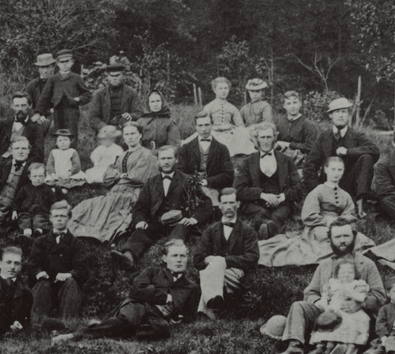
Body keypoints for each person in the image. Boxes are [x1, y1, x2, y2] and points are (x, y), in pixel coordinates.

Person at [271, 219, 387, 354]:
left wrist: (361, 303)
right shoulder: (324, 265)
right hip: (326, 311)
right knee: (298, 306)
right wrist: (322, 304)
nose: (342, 240)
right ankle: (294, 347)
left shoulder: (367, 264)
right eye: (337, 237)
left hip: (354, 314)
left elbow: (380, 295)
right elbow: (310, 292)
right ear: (330, 240)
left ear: (354, 237)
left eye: (346, 236)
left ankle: (340, 348)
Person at [53, 239, 199, 343]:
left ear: (187, 258)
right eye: (175, 255)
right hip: (138, 305)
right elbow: (136, 291)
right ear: (165, 258)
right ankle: (75, 335)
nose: (179, 260)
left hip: (156, 317)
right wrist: (165, 298)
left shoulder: (191, 287)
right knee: (130, 319)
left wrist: (177, 319)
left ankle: (109, 329)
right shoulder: (152, 272)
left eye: (183, 256)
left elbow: (189, 315)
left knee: (163, 329)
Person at [113, 145, 214, 267]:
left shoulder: (187, 180)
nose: (166, 162)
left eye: (169, 158)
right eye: (163, 159)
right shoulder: (151, 182)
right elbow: (140, 207)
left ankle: (169, 257)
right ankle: (128, 256)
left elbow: (206, 203)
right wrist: (140, 221)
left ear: (176, 160)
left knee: (179, 231)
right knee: (141, 232)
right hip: (156, 222)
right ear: (158, 161)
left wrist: (193, 219)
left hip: (179, 222)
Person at [68, 122, 157, 242]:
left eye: (133, 134)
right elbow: (107, 177)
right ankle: (84, 231)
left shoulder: (145, 153)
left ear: (140, 135)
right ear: (123, 136)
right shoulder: (123, 154)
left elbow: (138, 177)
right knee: (88, 206)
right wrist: (119, 175)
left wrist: (118, 175)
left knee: (113, 213)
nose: (130, 137)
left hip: (133, 192)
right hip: (117, 190)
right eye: (127, 134)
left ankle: (97, 234)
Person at [303, 97, 380, 214]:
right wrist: (318, 190)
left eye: (344, 112)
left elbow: (374, 150)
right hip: (327, 184)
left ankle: (360, 204)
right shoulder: (323, 137)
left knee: (367, 157)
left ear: (349, 115)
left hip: (349, 185)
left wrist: (348, 152)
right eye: (337, 112)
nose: (340, 115)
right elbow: (310, 166)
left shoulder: (357, 136)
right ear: (330, 115)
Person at [194, 189, 259, 319]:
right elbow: (197, 259)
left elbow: (252, 258)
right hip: (216, 274)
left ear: (238, 204)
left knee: (214, 267)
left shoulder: (247, 231)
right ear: (219, 205)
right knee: (214, 267)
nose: (228, 207)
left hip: (237, 276)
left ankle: (205, 310)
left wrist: (224, 261)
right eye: (225, 203)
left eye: (232, 202)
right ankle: (214, 304)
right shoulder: (211, 231)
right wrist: (209, 260)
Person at [234, 122, 304, 238]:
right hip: (256, 203)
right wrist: (262, 195)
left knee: (278, 216)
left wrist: (281, 197)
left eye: (269, 137)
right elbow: (239, 189)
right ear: (257, 139)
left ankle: (267, 230)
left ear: (274, 138)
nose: (266, 141)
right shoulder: (248, 162)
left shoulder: (286, 160)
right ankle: (268, 229)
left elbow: (299, 188)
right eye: (262, 137)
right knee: (260, 214)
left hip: (281, 203)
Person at [30, 202, 87, 326]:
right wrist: (39, 273)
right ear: (50, 219)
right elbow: (32, 265)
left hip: (66, 289)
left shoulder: (77, 244)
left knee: (71, 283)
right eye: (56, 216)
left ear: (69, 218)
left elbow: (82, 270)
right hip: (46, 288)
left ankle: (68, 325)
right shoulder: (40, 242)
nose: (59, 219)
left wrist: (69, 274)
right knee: (42, 284)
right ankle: (37, 325)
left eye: (63, 216)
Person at [308, 272, 372, 354]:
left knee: (352, 331)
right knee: (331, 323)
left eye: (349, 272)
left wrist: (354, 297)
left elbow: (362, 297)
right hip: (337, 309)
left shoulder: (358, 284)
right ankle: (325, 348)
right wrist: (326, 304)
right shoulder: (334, 284)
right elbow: (325, 296)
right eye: (343, 272)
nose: (346, 274)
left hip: (353, 309)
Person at [178, 112, 236, 206]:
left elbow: (228, 175)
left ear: (212, 125)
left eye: (207, 125)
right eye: (200, 125)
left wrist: (208, 181)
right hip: (192, 187)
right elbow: (180, 173)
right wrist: (195, 182)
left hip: (215, 187)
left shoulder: (222, 148)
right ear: (195, 127)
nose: (204, 129)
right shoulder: (186, 148)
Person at [35, 49, 92, 145]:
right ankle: (59, 152)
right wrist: (38, 112)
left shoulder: (76, 77)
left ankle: (73, 151)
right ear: (57, 63)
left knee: (72, 133)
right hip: (58, 111)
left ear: (72, 62)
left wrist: (78, 99)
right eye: (62, 62)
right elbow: (44, 97)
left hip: (72, 110)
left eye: (67, 61)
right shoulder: (54, 79)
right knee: (59, 134)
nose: (64, 64)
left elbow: (87, 94)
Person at [0, 92, 46, 169]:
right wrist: (1, 162)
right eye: (17, 106)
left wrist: (19, 166)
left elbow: (38, 156)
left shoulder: (36, 128)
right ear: (12, 106)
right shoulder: (3, 124)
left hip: (21, 169)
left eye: (23, 105)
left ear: (30, 105)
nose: (20, 109)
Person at [300, 156, 357, 238]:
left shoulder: (345, 195)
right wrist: (327, 220)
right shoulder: (318, 191)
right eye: (333, 169)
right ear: (326, 169)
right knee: (327, 237)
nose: (336, 173)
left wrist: (341, 220)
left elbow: (350, 214)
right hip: (319, 227)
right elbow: (308, 216)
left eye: (340, 170)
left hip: (341, 227)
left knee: (360, 239)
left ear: (343, 171)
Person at [199, 76, 255, 156]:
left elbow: (240, 125)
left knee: (243, 131)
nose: (223, 91)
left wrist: (232, 127)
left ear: (228, 90)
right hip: (214, 132)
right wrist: (217, 128)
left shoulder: (232, 108)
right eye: (220, 88)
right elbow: (203, 124)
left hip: (229, 133)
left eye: (225, 88)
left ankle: (240, 151)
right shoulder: (209, 106)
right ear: (215, 90)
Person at [86, 60, 143, 136]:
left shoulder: (132, 93)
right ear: (107, 77)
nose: (114, 78)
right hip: (105, 133)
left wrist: (131, 116)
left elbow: (139, 113)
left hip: (125, 132)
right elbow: (93, 118)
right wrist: (105, 128)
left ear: (123, 76)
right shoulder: (99, 94)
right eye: (112, 76)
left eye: (117, 75)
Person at [274, 90, 319, 165]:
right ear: (284, 106)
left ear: (300, 103)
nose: (292, 106)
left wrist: (289, 144)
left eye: (295, 102)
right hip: (281, 162)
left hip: (302, 163)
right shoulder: (280, 123)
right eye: (288, 103)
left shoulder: (308, 125)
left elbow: (311, 147)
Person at [14, 163, 55, 237]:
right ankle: (26, 234)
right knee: (25, 220)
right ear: (30, 177)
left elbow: (53, 202)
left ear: (45, 176)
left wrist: (52, 212)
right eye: (35, 176)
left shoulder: (47, 190)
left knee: (39, 220)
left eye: (40, 176)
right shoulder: (25, 188)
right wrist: (14, 210)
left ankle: (38, 232)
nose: (38, 178)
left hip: (41, 211)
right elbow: (17, 201)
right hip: (26, 211)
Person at [26, 53, 57, 128]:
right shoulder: (32, 85)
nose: (46, 71)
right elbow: (27, 106)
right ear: (38, 69)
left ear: (53, 67)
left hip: (56, 118)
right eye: (42, 67)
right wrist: (37, 116)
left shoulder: (60, 83)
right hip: (38, 118)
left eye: (48, 67)